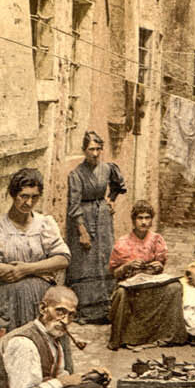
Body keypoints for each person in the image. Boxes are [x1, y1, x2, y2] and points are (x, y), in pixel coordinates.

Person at [0, 168, 73, 369]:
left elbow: (63, 258)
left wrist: (26, 269)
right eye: (23, 196)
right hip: (8, 300)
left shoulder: (44, 224)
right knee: (11, 352)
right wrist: (14, 271)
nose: (28, 203)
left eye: (34, 197)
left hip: (40, 299)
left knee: (45, 353)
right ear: (13, 194)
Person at [108, 201, 187, 349]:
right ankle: (125, 337)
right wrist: (127, 266)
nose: (144, 222)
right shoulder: (122, 243)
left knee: (175, 287)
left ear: (151, 220)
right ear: (133, 220)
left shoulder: (156, 239)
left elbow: (160, 266)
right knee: (120, 293)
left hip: (151, 283)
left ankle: (166, 334)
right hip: (131, 287)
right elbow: (114, 273)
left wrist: (158, 265)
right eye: (140, 218)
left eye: (147, 218)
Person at [66, 131, 126, 323]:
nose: (95, 153)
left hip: (102, 218)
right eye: (91, 149)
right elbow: (73, 206)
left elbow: (118, 185)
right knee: (86, 261)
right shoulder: (76, 175)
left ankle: (105, 306)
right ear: (84, 151)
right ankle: (87, 309)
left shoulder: (107, 168)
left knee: (105, 258)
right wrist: (82, 231)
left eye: (98, 148)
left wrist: (111, 200)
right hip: (83, 219)